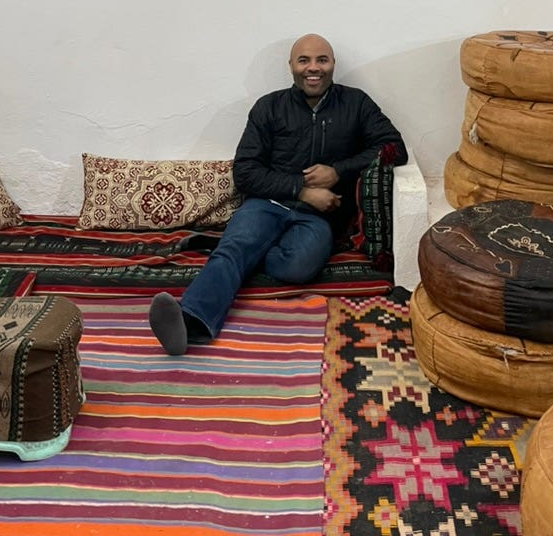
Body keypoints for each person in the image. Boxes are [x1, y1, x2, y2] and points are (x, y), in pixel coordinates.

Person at [149, 33, 407, 355]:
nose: (313, 68)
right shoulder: (268, 107)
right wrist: (301, 190)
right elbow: (245, 172)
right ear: (291, 66)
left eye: (322, 60)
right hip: (265, 205)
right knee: (235, 248)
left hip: (319, 216)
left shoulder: (356, 104)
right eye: (304, 60)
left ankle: (238, 249)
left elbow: (394, 147)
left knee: (297, 267)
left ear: (333, 64)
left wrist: (338, 171)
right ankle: (191, 322)